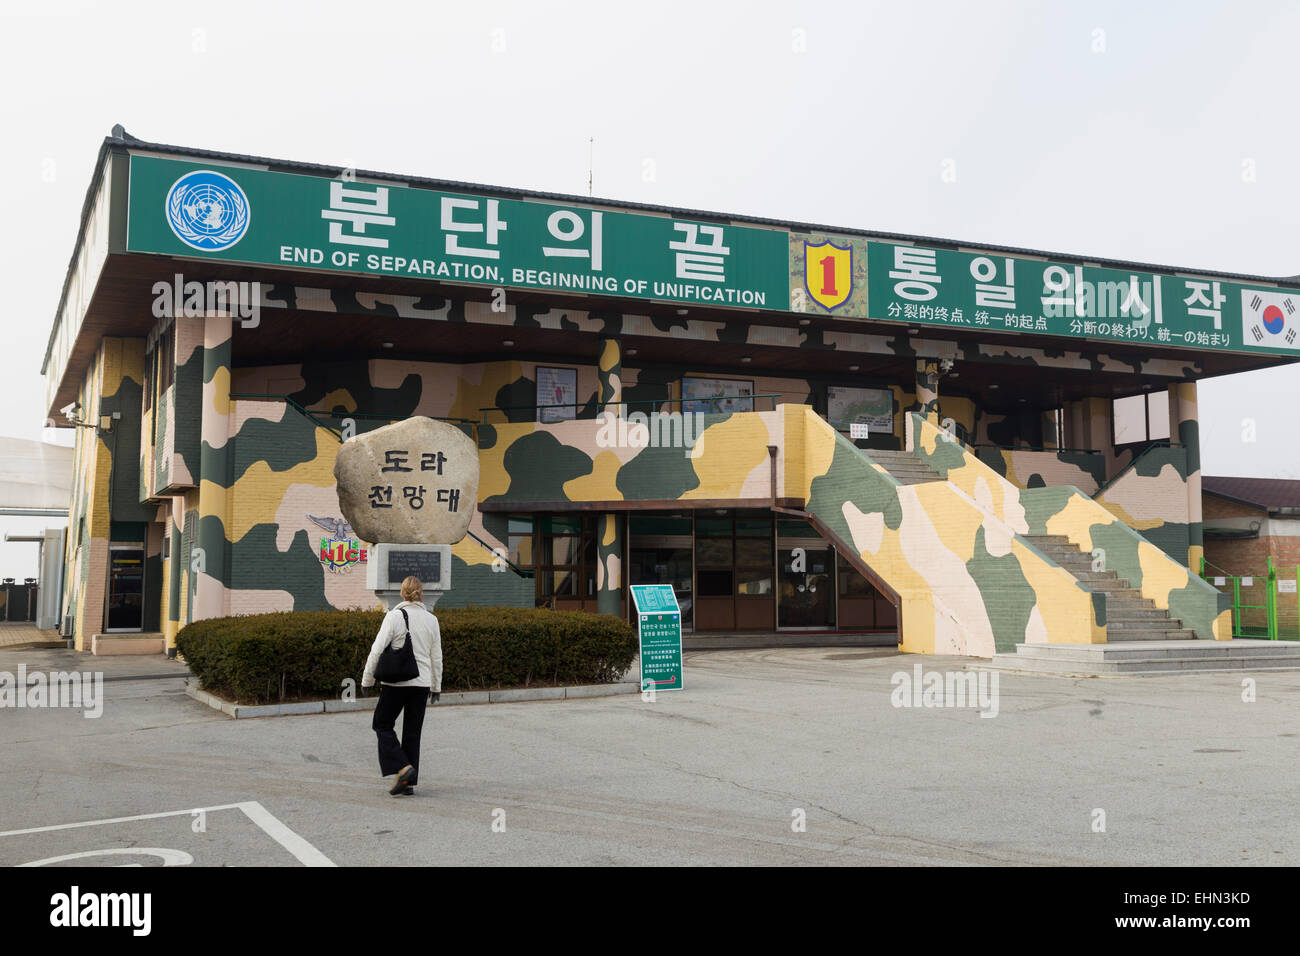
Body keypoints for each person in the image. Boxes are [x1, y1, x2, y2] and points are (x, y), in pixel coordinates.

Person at [361, 576, 443, 796]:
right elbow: (436, 658)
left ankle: (403, 767)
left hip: (396, 683)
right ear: (420, 593)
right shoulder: (431, 620)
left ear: (402, 593)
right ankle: (409, 784)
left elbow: (377, 650)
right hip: (422, 683)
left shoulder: (394, 617)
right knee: (412, 733)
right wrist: (436, 686)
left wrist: (367, 680)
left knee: (382, 724)